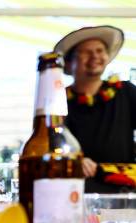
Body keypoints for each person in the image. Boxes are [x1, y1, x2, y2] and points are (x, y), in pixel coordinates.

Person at [53, 25, 136, 193]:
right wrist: (74, 160)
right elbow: (52, 145)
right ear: (69, 63)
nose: (95, 56)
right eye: (86, 52)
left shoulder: (126, 91)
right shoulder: (58, 101)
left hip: (124, 189)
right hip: (78, 188)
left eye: (100, 51)